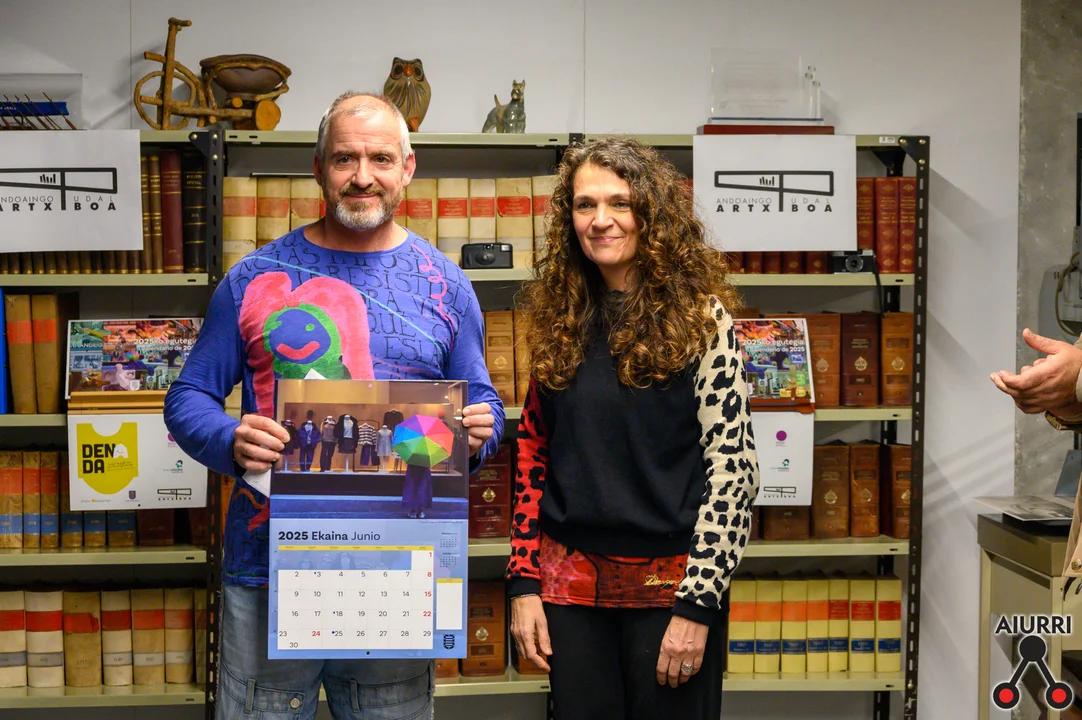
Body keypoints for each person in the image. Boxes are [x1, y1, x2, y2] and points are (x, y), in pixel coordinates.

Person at [164, 91, 504, 720]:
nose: (362, 176)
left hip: (399, 564)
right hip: (270, 567)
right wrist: (229, 439)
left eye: (381, 158)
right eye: (345, 158)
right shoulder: (253, 276)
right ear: (318, 167)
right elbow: (188, 397)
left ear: (407, 168)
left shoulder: (446, 283)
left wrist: (482, 429)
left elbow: (481, 399)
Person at [506, 136, 760, 719]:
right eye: (585, 204)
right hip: (569, 591)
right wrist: (523, 584)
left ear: (651, 213)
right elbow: (533, 452)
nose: (601, 220)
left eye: (619, 202)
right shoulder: (559, 319)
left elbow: (734, 470)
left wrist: (698, 606)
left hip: (672, 594)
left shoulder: (701, 320)